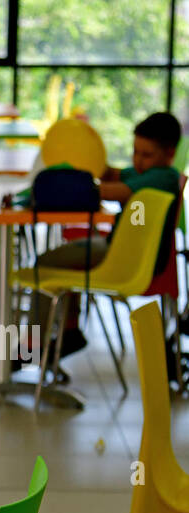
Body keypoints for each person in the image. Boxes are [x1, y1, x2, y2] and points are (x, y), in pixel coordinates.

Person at [32, 113, 182, 358]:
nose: (138, 160)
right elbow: (110, 173)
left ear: (169, 154)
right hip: (121, 249)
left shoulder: (161, 177)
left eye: (146, 155)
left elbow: (115, 191)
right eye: (135, 152)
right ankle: (68, 331)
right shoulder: (146, 173)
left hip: (127, 257)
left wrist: (63, 186)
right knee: (69, 256)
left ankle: (32, 345)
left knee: (44, 263)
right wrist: (84, 158)